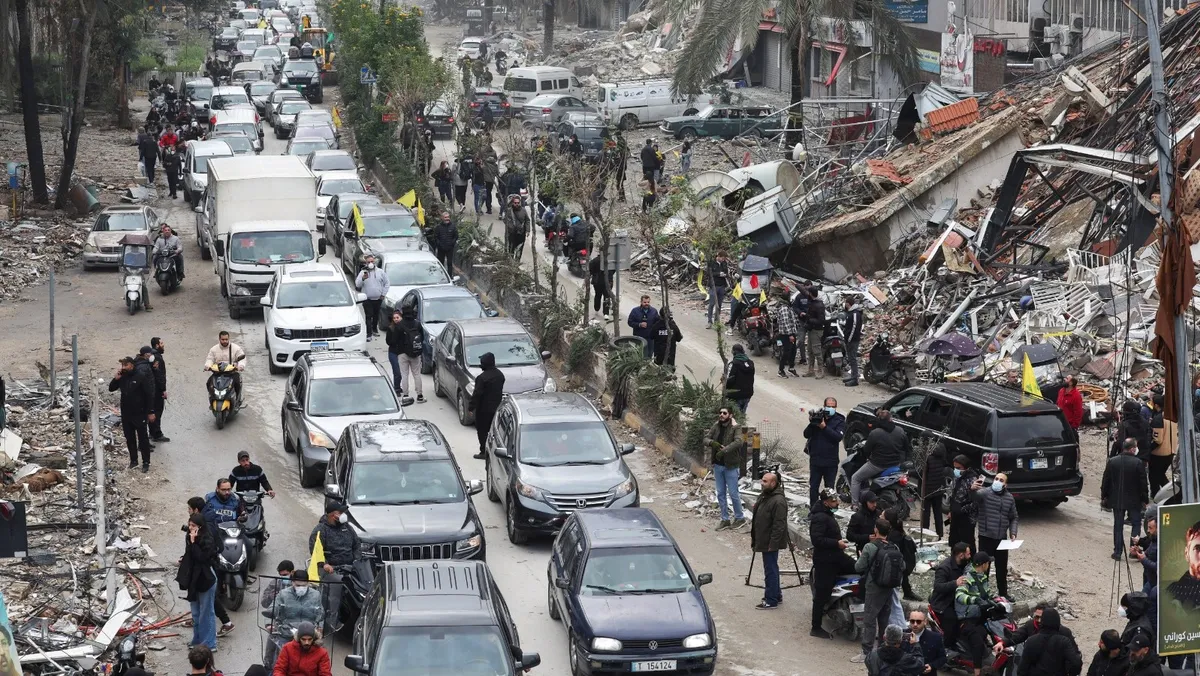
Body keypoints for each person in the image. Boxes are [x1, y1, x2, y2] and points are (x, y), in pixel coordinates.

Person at [809, 487, 857, 638]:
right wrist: (836, 543)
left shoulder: (828, 514)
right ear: (826, 502)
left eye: (836, 500)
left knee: (859, 568)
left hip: (837, 556)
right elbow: (817, 540)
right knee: (822, 593)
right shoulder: (819, 517)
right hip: (825, 561)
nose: (837, 503)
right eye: (833, 501)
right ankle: (816, 627)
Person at [854, 519, 903, 662]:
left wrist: (862, 556)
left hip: (873, 588)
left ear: (876, 530)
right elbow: (903, 566)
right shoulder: (894, 547)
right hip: (888, 588)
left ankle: (866, 652)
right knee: (884, 620)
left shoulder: (870, 547)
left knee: (869, 620)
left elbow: (858, 567)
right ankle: (882, 650)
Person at [309, 504, 360, 634]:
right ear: (333, 515)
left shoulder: (347, 528)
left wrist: (357, 561)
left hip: (350, 567)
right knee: (336, 587)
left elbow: (356, 545)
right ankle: (332, 620)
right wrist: (324, 564)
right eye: (340, 512)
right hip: (331, 569)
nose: (343, 515)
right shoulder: (321, 530)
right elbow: (315, 551)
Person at [851, 409, 910, 507]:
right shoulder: (900, 431)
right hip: (895, 465)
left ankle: (855, 505)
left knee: (855, 478)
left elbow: (866, 450)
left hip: (877, 465)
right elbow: (906, 448)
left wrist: (868, 457)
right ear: (891, 419)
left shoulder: (875, 433)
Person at [1102, 437, 1149, 561]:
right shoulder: (1138, 463)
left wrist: (1104, 496)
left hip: (1117, 499)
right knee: (1136, 524)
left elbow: (1106, 480)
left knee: (1118, 526)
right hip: (1134, 500)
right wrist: (1145, 499)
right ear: (1133, 449)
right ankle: (1133, 550)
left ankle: (1117, 552)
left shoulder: (1113, 461)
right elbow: (1143, 484)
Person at [176, 513, 218, 650]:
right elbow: (190, 554)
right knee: (196, 613)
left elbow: (202, 558)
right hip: (194, 579)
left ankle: (209, 644)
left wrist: (194, 543)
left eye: (193, 526)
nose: (190, 528)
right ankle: (197, 641)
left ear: (200, 527)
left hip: (205, 579)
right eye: (189, 525)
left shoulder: (207, 539)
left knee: (206, 612)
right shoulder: (189, 538)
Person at [973, 472, 1017, 599]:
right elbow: (974, 497)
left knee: (1002, 568)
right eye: (996, 478)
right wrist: (972, 489)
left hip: (1002, 538)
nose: (997, 481)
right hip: (986, 536)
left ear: (1005, 484)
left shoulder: (1009, 498)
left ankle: (1003, 593)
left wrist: (1013, 532)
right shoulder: (985, 493)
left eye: (1001, 480)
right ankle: (983, 594)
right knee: (984, 567)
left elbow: (1014, 517)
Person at [268, 571, 324, 668]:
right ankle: (269, 667)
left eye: (304, 585)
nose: (301, 588)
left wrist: (321, 626)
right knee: (279, 660)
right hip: (287, 633)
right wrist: (269, 624)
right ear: (292, 582)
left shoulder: (316, 595)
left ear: (308, 583)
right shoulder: (283, 594)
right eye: (298, 585)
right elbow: (272, 608)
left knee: (318, 659)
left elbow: (321, 612)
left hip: (309, 634)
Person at [750, 469, 789, 610]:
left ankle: (771, 599)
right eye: (762, 480)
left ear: (773, 483)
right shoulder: (765, 496)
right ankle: (776, 595)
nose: (762, 483)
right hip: (764, 539)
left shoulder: (778, 501)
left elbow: (779, 525)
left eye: (765, 481)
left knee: (770, 570)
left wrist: (773, 544)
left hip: (770, 542)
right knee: (772, 568)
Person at [109, 356, 155, 472]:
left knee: (143, 439)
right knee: (130, 438)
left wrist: (150, 412)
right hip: (126, 414)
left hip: (139, 413)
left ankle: (146, 462)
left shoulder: (141, 376)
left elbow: (149, 395)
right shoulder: (122, 377)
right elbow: (111, 388)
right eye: (122, 365)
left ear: (132, 365)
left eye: (126, 365)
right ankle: (133, 461)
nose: (123, 367)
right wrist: (116, 379)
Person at [955, 552, 995, 676]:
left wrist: (997, 600)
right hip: (966, 618)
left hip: (978, 616)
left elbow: (987, 594)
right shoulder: (967, 578)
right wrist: (974, 600)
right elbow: (959, 595)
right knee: (977, 642)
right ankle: (977, 672)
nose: (989, 565)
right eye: (988, 563)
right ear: (983, 564)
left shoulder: (982, 577)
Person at [705, 407, 745, 530]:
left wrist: (724, 450)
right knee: (720, 493)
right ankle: (725, 519)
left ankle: (739, 518)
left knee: (733, 493)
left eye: (724, 413)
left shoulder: (736, 427)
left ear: (730, 415)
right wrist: (712, 443)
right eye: (720, 413)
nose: (721, 415)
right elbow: (706, 438)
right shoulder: (716, 426)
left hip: (731, 466)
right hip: (718, 465)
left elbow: (739, 442)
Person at [929, 543, 972, 653]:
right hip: (943, 603)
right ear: (961, 555)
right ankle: (947, 649)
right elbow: (938, 586)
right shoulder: (944, 568)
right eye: (968, 554)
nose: (970, 556)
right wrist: (955, 583)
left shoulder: (964, 565)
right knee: (952, 621)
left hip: (957, 600)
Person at [804, 397, 845, 505]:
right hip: (816, 460)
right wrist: (812, 423)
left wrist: (824, 427)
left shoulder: (839, 420)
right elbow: (806, 434)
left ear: (835, 407)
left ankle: (829, 509)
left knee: (829, 489)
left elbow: (837, 437)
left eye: (832, 406)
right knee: (814, 487)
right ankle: (813, 509)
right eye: (828, 406)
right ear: (824, 406)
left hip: (830, 462)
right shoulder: (819, 417)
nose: (830, 408)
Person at [1018, 608, 1083, 676]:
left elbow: (1022, 669)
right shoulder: (1064, 641)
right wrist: (1072, 673)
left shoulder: (1031, 641)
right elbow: (1076, 663)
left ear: (1042, 622)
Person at [469, 352, 505, 460]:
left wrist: (471, 407)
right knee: (495, 431)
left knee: (482, 431)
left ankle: (483, 451)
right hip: (497, 408)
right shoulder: (500, 375)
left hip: (483, 410)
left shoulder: (482, 378)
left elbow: (477, 394)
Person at [945, 455, 982, 554]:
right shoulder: (957, 477)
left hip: (967, 518)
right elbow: (953, 495)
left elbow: (976, 501)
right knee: (954, 540)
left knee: (967, 542)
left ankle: (970, 561)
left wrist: (961, 510)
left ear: (966, 468)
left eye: (958, 468)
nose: (956, 470)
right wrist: (951, 510)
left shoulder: (973, 480)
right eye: (954, 468)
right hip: (955, 515)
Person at [884, 507, 920, 601]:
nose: (879, 517)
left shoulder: (893, 535)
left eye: (882, 516)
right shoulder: (896, 531)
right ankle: (907, 592)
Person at [393, 306, 426, 403]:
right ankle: (419, 395)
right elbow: (422, 338)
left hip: (402, 353)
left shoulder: (399, 325)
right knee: (417, 374)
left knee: (404, 374)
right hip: (415, 353)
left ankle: (406, 395)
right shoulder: (417, 324)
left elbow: (394, 340)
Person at [354, 255, 389, 341]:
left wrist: (383, 294)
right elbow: (357, 284)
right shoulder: (363, 272)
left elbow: (387, 283)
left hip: (378, 298)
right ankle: (368, 334)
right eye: (368, 262)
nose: (370, 263)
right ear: (366, 263)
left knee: (376, 315)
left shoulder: (380, 272)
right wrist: (363, 279)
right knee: (368, 316)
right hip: (367, 299)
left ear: (374, 262)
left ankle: (374, 329)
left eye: (372, 261)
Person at [139, 343, 169, 443]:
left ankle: (152, 433)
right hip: (154, 393)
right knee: (155, 412)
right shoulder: (151, 364)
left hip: (150, 393)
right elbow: (159, 378)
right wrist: (163, 389)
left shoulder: (141, 363)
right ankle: (155, 434)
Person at [204, 330, 246, 402]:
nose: (225, 341)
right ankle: (212, 397)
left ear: (229, 339)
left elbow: (242, 358)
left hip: (232, 373)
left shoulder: (236, 348)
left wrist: (240, 366)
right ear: (219, 339)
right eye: (223, 339)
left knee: (237, 383)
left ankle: (237, 400)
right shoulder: (214, 349)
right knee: (209, 383)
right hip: (218, 373)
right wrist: (207, 366)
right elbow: (210, 359)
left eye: (226, 339)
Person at [1148, 394, 1176, 495]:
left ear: (1156, 405)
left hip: (1159, 453)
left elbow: (1158, 440)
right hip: (1171, 450)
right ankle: (1167, 494)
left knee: (1155, 476)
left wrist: (1148, 449)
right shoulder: (1172, 416)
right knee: (1160, 475)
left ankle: (1166, 494)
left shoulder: (1158, 419)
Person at [922, 441, 949, 538]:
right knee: (938, 512)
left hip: (927, 489)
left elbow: (922, 472)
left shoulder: (927, 456)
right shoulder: (942, 453)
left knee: (925, 513)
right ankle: (940, 533)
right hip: (939, 488)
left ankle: (925, 533)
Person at [909, 610, 947, 676]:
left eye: (918, 621)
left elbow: (943, 658)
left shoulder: (935, 637)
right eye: (912, 621)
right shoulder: (902, 635)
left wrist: (931, 666)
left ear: (925, 622)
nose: (915, 624)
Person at [840, 294, 864, 386]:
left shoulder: (855, 314)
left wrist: (849, 339)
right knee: (850, 358)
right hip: (850, 339)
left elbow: (854, 327)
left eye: (845, 302)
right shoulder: (851, 313)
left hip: (853, 340)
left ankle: (855, 379)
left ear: (848, 303)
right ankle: (853, 376)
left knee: (853, 359)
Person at [1132, 514, 1158, 595]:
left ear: (1158, 528)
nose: (1148, 531)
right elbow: (1147, 554)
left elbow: (1159, 567)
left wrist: (1144, 559)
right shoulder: (1154, 540)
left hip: (1157, 583)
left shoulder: (1163, 544)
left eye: (1150, 528)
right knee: (1141, 598)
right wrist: (1138, 552)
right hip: (1150, 580)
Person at [726, 344, 755, 414]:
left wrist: (726, 392)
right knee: (742, 415)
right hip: (747, 394)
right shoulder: (751, 363)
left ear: (733, 352)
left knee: (734, 416)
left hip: (735, 396)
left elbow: (730, 380)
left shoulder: (733, 364)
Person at [772, 301, 799, 377]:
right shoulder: (784, 308)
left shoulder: (789, 308)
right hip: (786, 334)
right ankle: (781, 370)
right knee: (786, 352)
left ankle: (791, 368)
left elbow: (794, 320)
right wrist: (790, 335)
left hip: (792, 333)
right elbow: (785, 322)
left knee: (793, 351)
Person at [705, 251, 731, 328]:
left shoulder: (724, 263)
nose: (723, 260)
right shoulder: (712, 263)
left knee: (719, 304)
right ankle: (709, 321)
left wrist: (725, 274)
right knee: (712, 304)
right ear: (718, 256)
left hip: (722, 286)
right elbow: (709, 273)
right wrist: (718, 274)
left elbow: (726, 272)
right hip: (714, 286)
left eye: (724, 258)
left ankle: (717, 321)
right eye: (722, 258)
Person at [804, 289, 826, 378]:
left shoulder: (819, 305)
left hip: (816, 330)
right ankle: (811, 370)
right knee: (810, 350)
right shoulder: (813, 303)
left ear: (811, 294)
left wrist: (810, 319)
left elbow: (821, 320)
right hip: (811, 330)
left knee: (817, 351)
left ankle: (821, 370)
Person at [504, 194, 530, 259]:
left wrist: (527, 230)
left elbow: (527, 220)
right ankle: (511, 261)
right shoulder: (509, 211)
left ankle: (517, 262)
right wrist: (510, 226)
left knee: (519, 250)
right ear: (513, 203)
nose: (517, 204)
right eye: (515, 203)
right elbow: (505, 219)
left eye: (518, 203)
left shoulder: (523, 210)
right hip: (512, 233)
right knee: (511, 249)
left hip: (521, 234)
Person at [589, 253, 614, 318]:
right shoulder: (610, 260)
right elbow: (614, 269)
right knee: (607, 296)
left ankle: (596, 308)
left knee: (598, 295)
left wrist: (594, 274)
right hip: (608, 281)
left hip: (597, 281)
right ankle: (606, 313)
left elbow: (590, 268)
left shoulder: (595, 260)